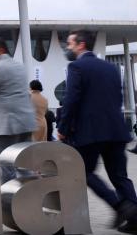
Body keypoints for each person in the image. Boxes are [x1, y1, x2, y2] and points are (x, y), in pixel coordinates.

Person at [58, 30, 137, 232]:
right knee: (120, 176)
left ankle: (119, 206)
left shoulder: (76, 67)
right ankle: (135, 219)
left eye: (70, 44)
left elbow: (71, 100)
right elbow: (117, 99)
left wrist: (63, 128)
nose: (68, 48)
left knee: (83, 172)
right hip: (117, 130)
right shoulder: (110, 68)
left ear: (81, 45)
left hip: (91, 132)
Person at [0, 37, 36, 183]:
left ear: (1, 50)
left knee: (5, 166)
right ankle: (29, 199)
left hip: (5, 126)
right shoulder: (19, 67)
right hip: (25, 123)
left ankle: (8, 202)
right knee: (24, 165)